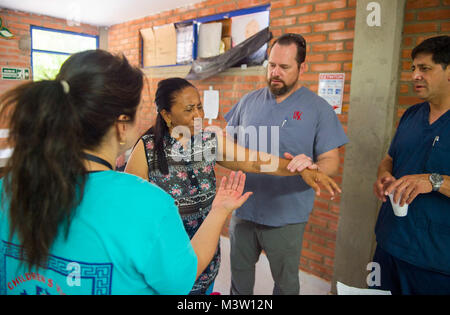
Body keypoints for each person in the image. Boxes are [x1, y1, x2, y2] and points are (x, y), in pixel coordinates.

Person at [0, 49, 252, 295]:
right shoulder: (147, 203)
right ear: (122, 126)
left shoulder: (10, 186)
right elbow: (181, 280)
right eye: (138, 111)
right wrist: (220, 210)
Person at [124, 77, 341, 295]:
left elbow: (255, 161)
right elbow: (129, 214)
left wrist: (302, 169)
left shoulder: (208, 142)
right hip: (164, 262)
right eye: (189, 110)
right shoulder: (147, 150)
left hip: (206, 259)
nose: (198, 115)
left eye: (199, 107)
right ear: (166, 115)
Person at [224, 33, 349, 295]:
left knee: (286, 284)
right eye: (271, 65)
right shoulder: (248, 102)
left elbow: (330, 161)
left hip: (286, 216)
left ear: (302, 68)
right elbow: (228, 147)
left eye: (284, 67)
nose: (275, 73)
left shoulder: (319, 109)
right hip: (242, 209)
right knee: (239, 281)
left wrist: (314, 167)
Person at [371, 35, 450, 295]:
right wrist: (384, 175)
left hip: (434, 262)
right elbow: (391, 158)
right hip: (389, 243)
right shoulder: (411, 115)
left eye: (425, 69)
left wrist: (433, 181)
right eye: (413, 68)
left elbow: (430, 180)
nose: (415, 75)